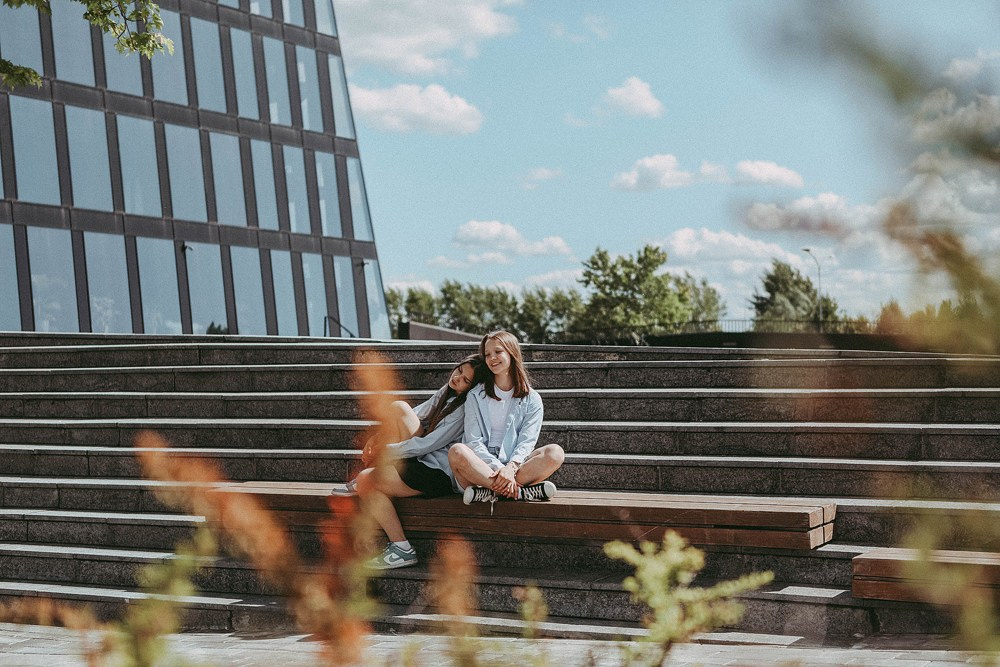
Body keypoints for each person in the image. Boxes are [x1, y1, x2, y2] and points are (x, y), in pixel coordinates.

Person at [354, 353, 488, 569]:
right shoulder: (448, 391)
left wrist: (387, 451)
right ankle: (400, 547)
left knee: (365, 481)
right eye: (460, 371)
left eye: (466, 381)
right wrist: (379, 436)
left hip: (438, 473)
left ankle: (402, 549)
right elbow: (418, 413)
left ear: (473, 388)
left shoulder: (464, 409)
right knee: (399, 408)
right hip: (422, 461)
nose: (458, 379)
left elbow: (429, 444)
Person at [448, 330, 565, 504]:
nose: (492, 358)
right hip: (480, 468)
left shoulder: (532, 399)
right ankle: (518, 492)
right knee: (457, 451)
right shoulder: (475, 395)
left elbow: (527, 441)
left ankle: (490, 493)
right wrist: (499, 469)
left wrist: (510, 467)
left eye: (498, 352)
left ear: (512, 352)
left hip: (514, 467)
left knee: (555, 453)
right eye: (487, 354)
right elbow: (473, 441)